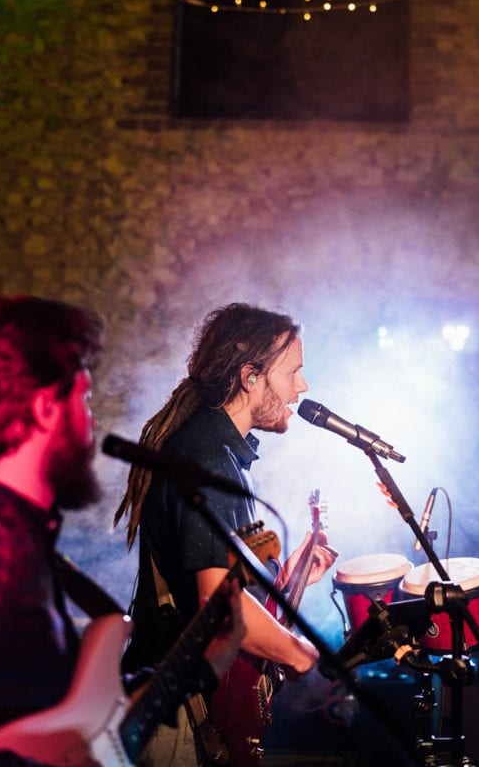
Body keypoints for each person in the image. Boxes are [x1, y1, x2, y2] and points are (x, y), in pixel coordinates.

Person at [0, 294, 245, 767]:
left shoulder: (16, 533)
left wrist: (199, 667)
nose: (91, 419)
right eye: (81, 396)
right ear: (43, 408)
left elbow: (74, 716)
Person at [114, 302, 338, 766]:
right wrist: (298, 652)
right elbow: (219, 608)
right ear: (250, 376)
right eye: (294, 371)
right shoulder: (211, 458)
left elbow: (225, 586)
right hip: (178, 714)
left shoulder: (220, 454)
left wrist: (287, 576)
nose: (303, 385)